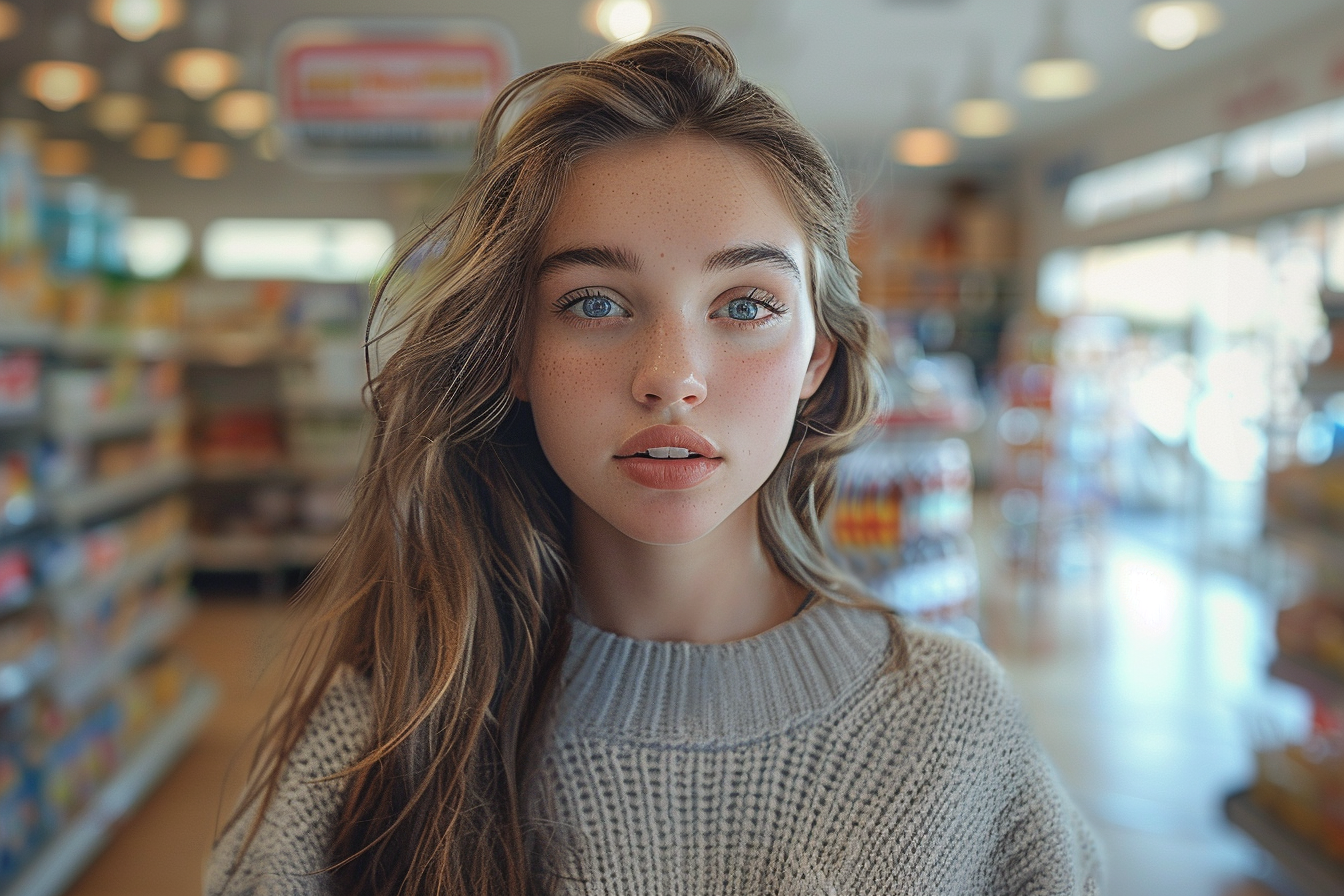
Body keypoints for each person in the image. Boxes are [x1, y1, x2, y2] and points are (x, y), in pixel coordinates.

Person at [205, 29, 1102, 896]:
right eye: (595, 302)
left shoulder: (956, 728)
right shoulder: (375, 743)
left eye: (746, 305)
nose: (671, 377)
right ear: (513, 349)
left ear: (817, 359)